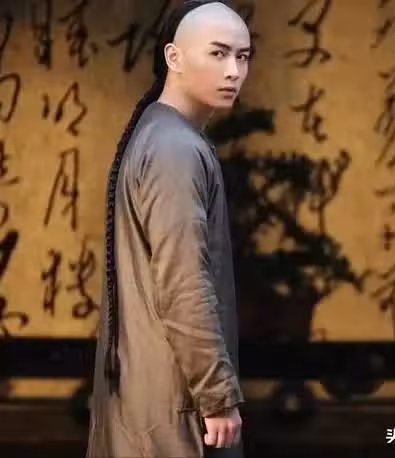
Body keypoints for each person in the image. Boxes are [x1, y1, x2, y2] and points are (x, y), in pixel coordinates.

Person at [86, 1, 252, 457]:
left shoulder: (159, 133)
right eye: (218, 53)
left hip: (152, 399)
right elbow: (184, 282)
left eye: (242, 56)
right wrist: (217, 394)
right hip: (175, 411)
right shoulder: (175, 148)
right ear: (173, 57)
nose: (234, 71)